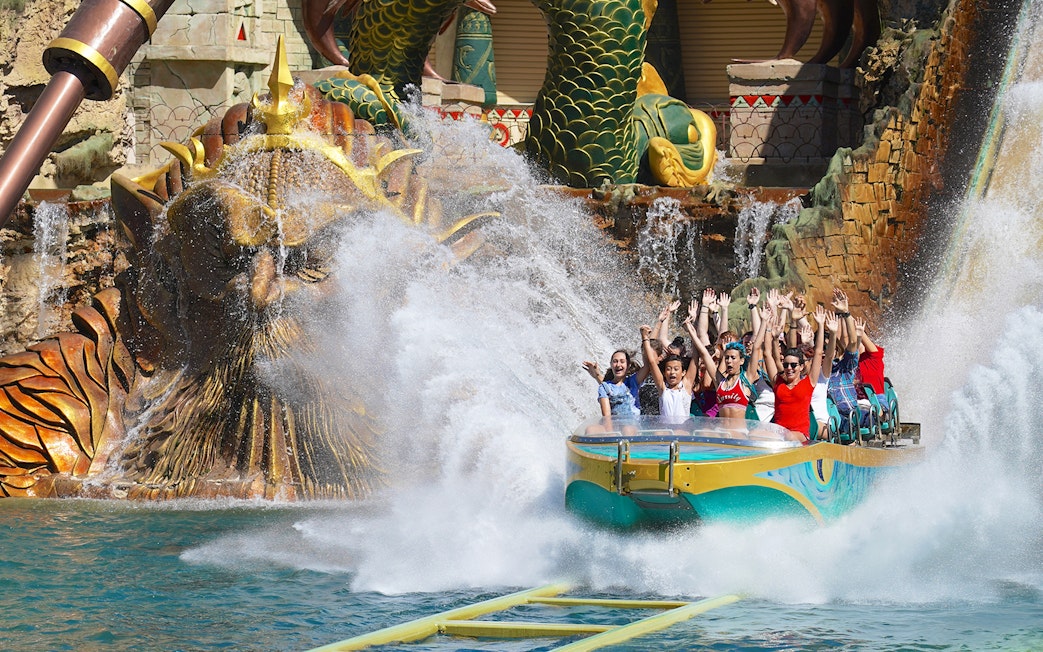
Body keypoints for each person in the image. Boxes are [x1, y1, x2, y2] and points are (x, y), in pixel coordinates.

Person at [764, 293, 833, 442]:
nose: (790, 368)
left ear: (801, 367)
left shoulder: (809, 383)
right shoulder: (778, 382)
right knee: (757, 434)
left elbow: (820, 352)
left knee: (785, 437)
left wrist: (821, 326)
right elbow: (768, 354)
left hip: (799, 435)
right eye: (787, 365)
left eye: (794, 365)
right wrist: (769, 330)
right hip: (778, 434)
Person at [641, 323, 699, 424]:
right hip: (666, 432)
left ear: (683, 373)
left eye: (676, 369)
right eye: (668, 369)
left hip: (682, 431)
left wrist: (691, 331)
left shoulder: (686, 386)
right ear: (664, 373)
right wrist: (645, 337)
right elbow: (651, 362)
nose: (672, 372)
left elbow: (695, 358)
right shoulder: (663, 388)